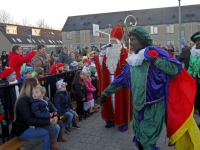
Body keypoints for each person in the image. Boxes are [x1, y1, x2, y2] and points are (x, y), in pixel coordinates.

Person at [101, 27, 200, 150]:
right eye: (130, 39)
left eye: (133, 40)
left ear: (142, 41)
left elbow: (175, 68)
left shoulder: (154, 55)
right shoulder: (132, 61)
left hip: (154, 107)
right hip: (137, 106)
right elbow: (120, 81)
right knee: (139, 137)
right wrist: (105, 93)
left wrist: (156, 60)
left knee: (147, 141)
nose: (130, 42)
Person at [98, 23, 132, 131]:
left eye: (114, 41)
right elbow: (100, 66)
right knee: (108, 98)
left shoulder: (124, 52)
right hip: (108, 79)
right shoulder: (106, 52)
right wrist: (101, 55)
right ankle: (110, 119)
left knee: (120, 100)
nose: (111, 43)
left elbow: (127, 67)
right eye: (111, 40)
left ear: (118, 42)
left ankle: (122, 121)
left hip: (119, 81)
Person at [13, 77, 52, 150]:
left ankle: (52, 145)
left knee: (55, 127)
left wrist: (54, 116)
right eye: (38, 83)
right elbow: (29, 120)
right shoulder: (23, 100)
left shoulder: (34, 97)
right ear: (33, 86)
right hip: (22, 130)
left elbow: (46, 108)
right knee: (48, 132)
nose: (40, 85)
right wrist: (48, 121)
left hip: (31, 126)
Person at [188, 31, 200, 116]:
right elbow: (190, 67)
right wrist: (188, 77)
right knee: (197, 99)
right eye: (197, 40)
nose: (199, 42)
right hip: (196, 80)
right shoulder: (193, 53)